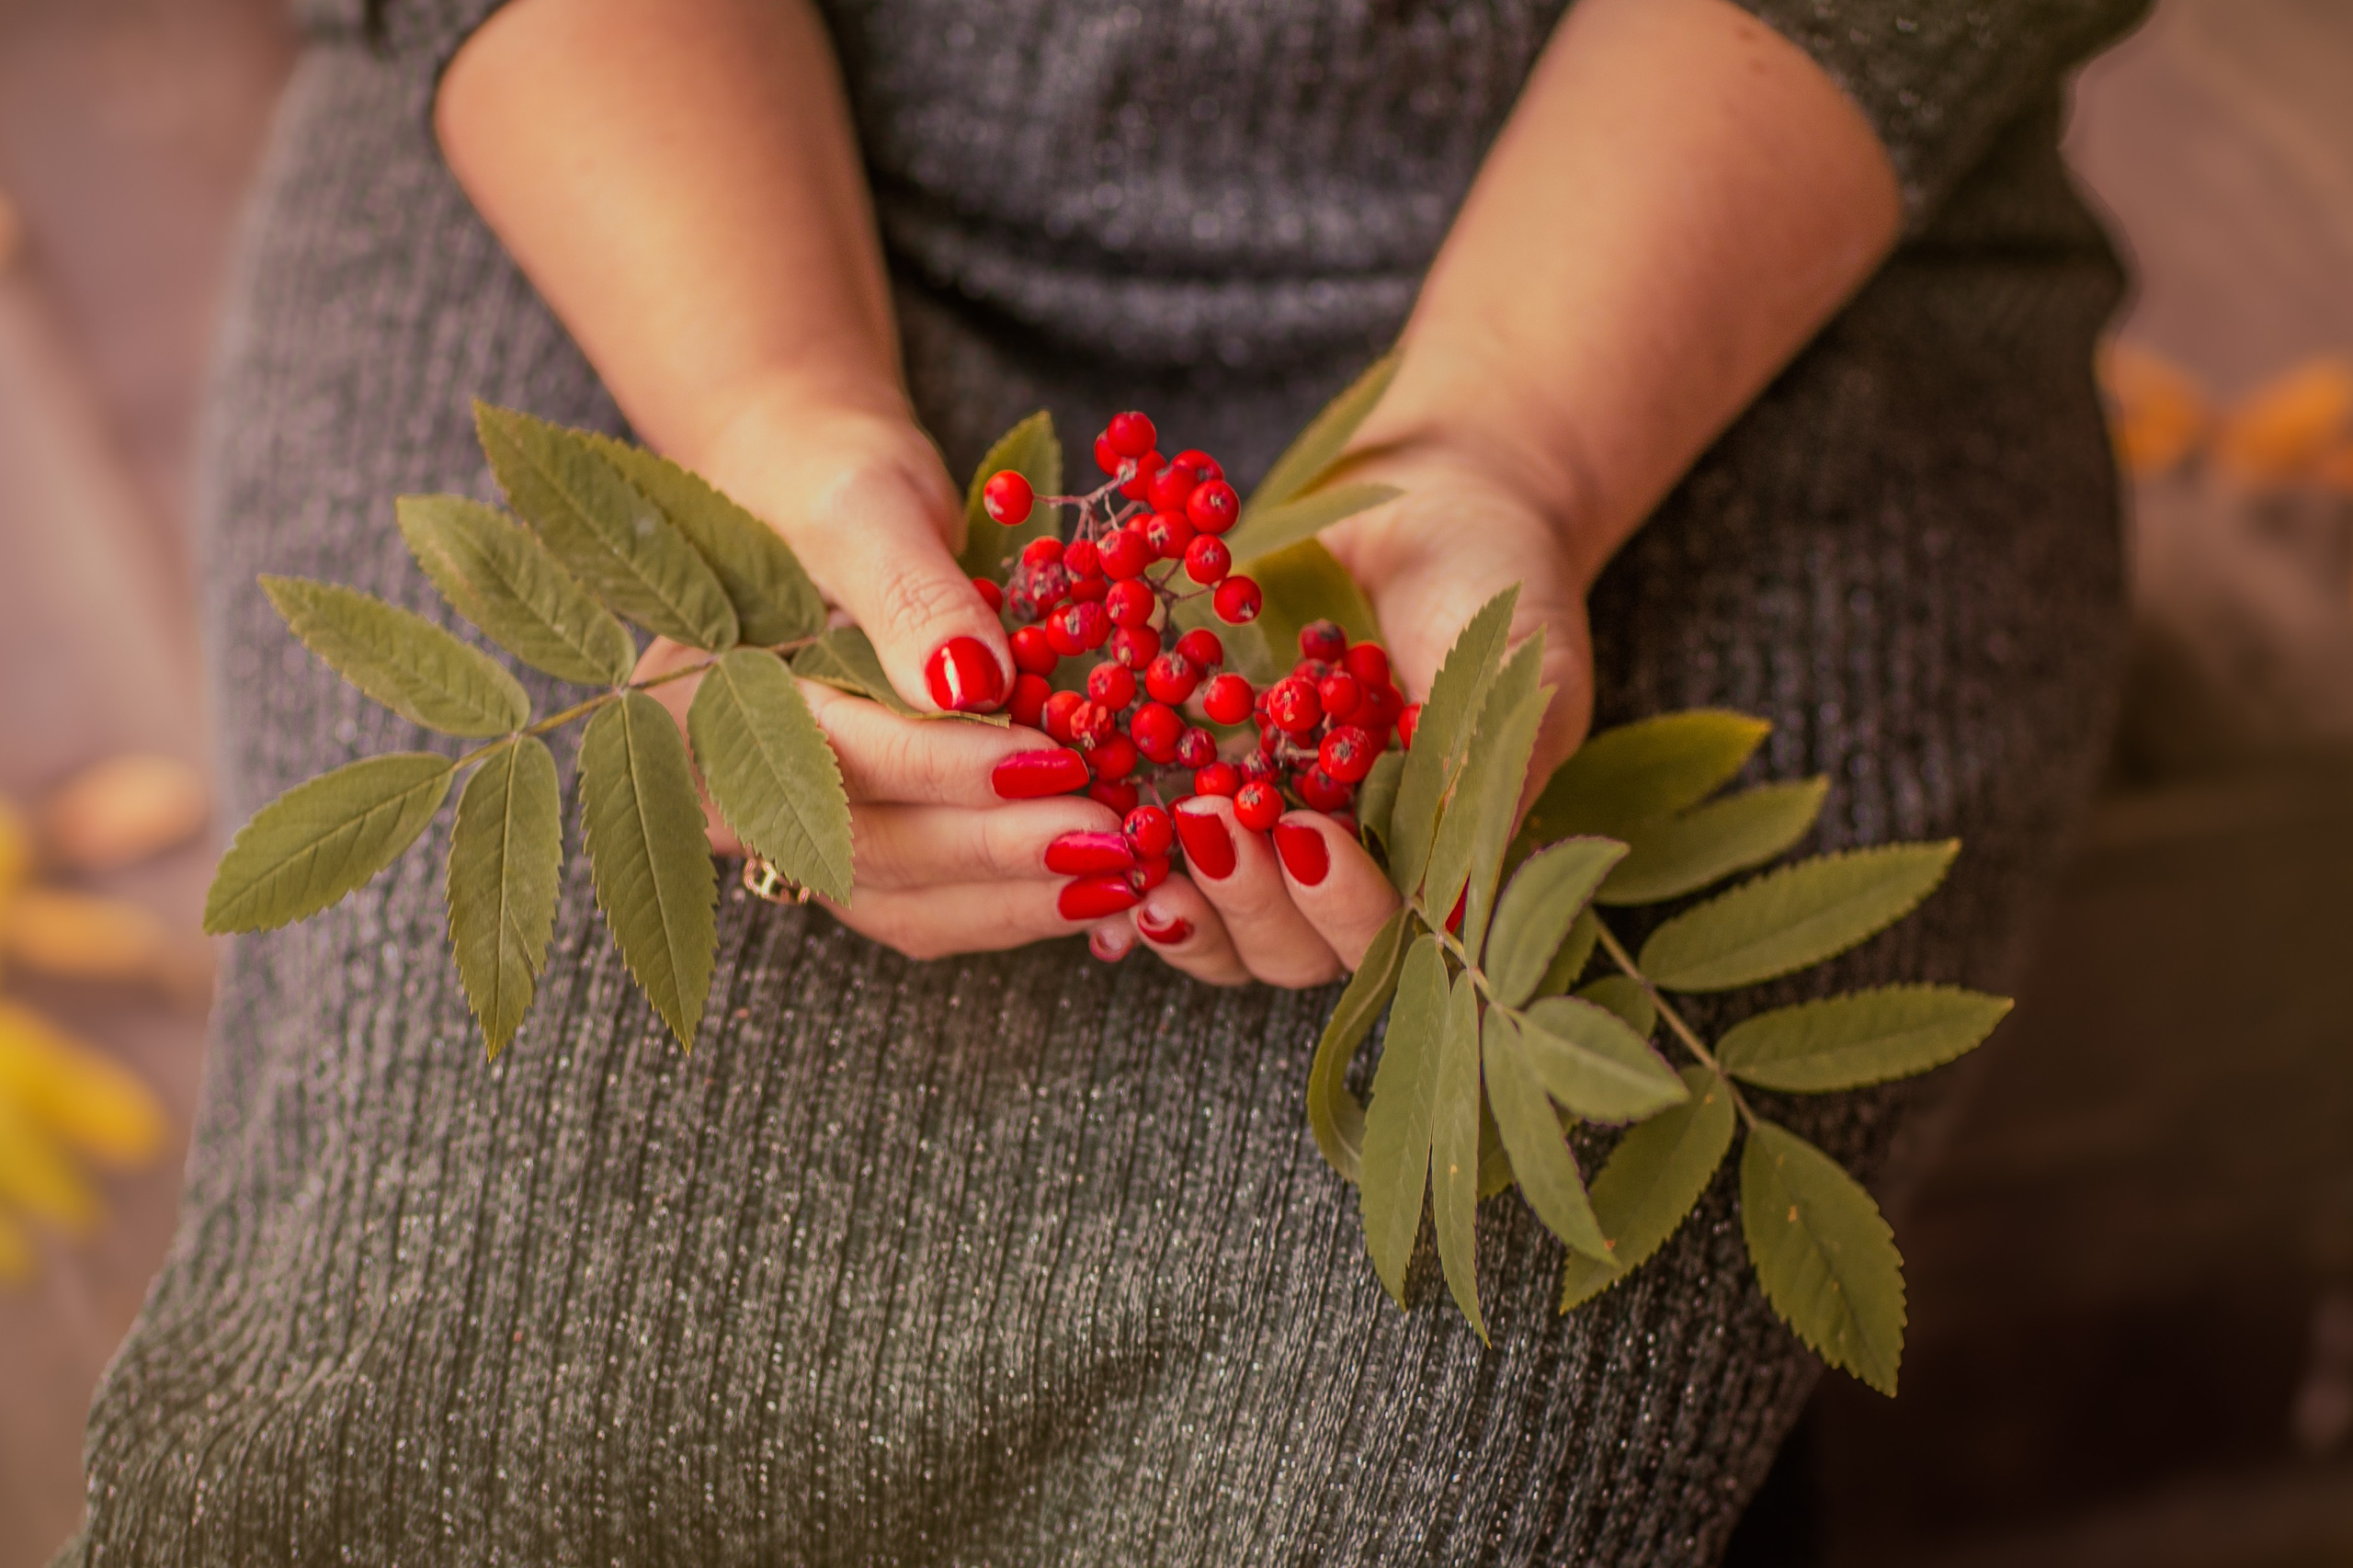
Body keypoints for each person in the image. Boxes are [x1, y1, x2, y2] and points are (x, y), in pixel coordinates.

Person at [62, 0, 2145, 1560]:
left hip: (1696, 218)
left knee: (1436, 1456)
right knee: (414, 1370)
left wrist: (1507, 447)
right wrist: (775, 417)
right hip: (655, 146)